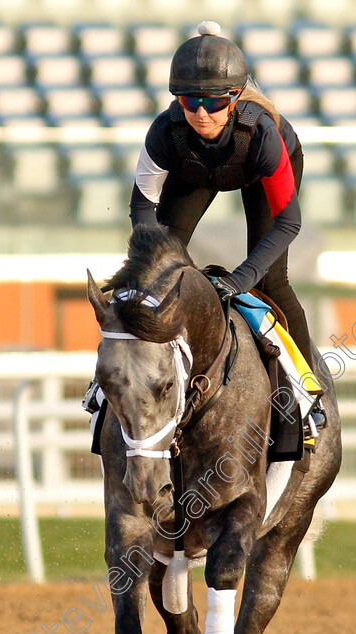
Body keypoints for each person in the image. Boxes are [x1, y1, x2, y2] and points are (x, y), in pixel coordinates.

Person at [130, 20, 315, 377]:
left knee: (271, 284)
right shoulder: (165, 132)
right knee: (152, 278)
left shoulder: (262, 134)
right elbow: (142, 206)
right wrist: (153, 264)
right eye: (190, 100)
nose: (201, 113)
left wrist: (240, 280)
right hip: (197, 168)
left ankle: (308, 390)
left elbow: (289, 221)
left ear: (233, 98)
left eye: (214, 101)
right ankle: (109, 387)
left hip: (260, 170)